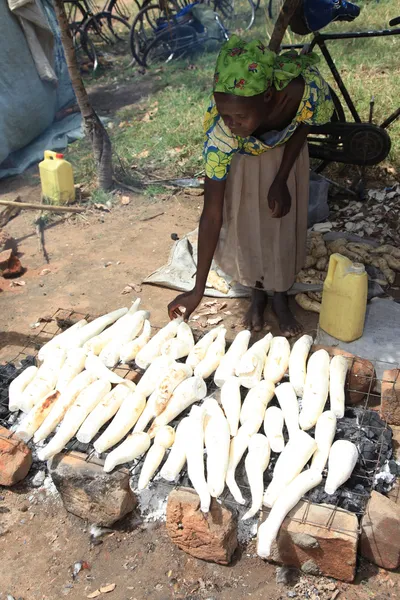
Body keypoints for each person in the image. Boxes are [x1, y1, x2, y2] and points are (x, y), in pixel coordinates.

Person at [168, 35, 334, 336]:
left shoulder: (300, 89)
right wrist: (198, 289)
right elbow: (212, 215)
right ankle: (257, 292)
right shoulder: (223, 134)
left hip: (288, 157)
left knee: (281, 225)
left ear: (268, 96)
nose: (232, 123)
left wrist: (282, 178)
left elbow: (306, 121)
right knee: (245, 224)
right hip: (244, 163)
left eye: (240, 116)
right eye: (225, 115)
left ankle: (280, 295)